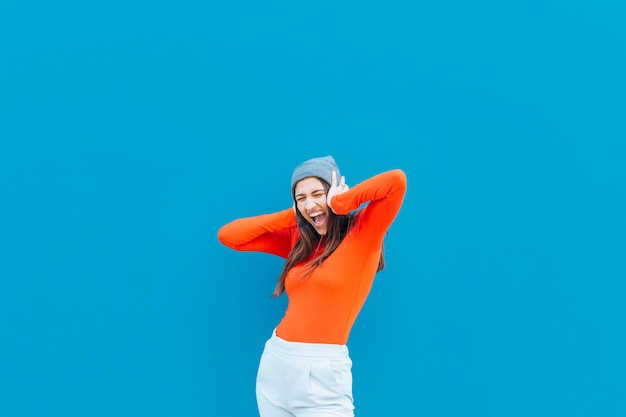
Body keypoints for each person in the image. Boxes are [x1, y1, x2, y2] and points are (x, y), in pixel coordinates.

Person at [217, 155, 407, 417]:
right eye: (301, 197)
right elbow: (229, 236)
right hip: (275, 363)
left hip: (322, 373)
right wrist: (293, 216)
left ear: (331, 194)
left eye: (318, 194)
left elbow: (396, 181)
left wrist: (343, 203)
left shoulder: (363, 232)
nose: (311, 204)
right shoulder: (300, 239)